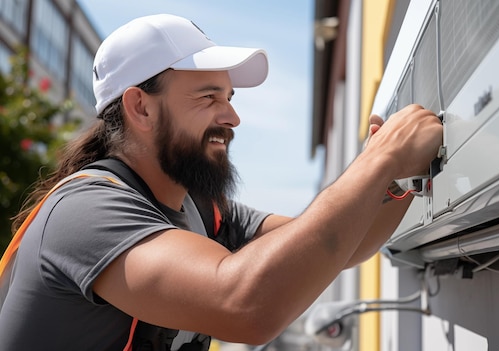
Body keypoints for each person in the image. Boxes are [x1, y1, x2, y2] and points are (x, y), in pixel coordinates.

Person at [0, 14, 442, 350]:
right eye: (208, 97)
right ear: (141, 108)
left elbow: (345, 242)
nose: (232, 117)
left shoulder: (201, 207)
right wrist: (381, 159)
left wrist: (398, 174)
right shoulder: (87, 212)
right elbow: (245, 305)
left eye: (228, 98)